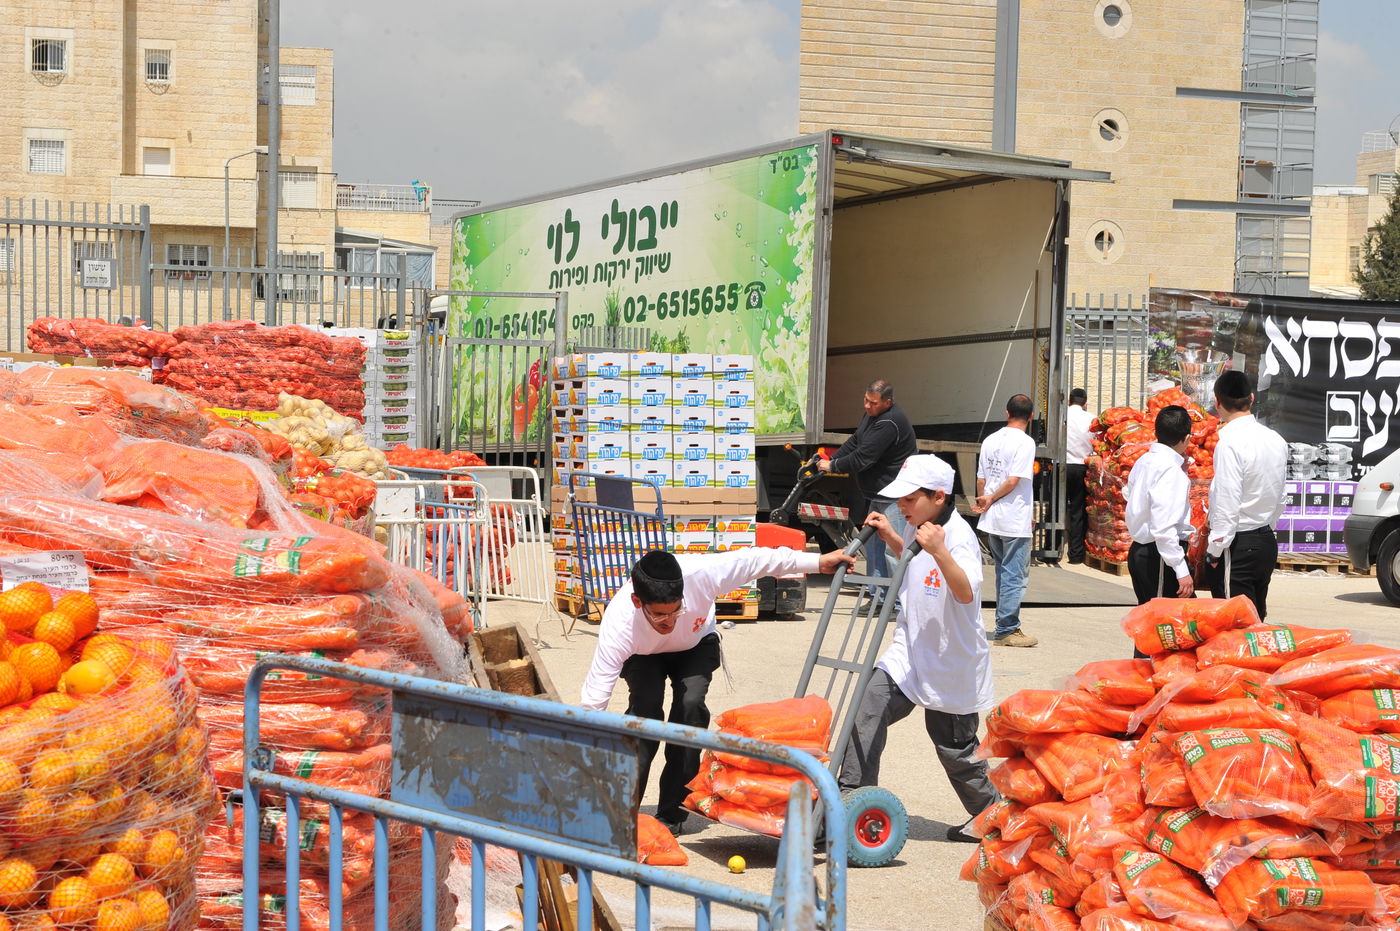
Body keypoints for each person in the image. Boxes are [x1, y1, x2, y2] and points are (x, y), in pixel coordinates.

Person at [579, 546, 855, 835]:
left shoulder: (703, 574)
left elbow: (756, 560)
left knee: (690, 705)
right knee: (644, 714)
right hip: (643, 656)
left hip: (695, 646)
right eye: (660, 616)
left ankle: (671, 813)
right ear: (638, 602)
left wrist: (817, 561)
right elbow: (594, 702)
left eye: (677, 611)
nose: (670, 623)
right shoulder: (619, 624)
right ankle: (623, 811)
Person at [838, 455, 998, 842]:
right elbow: (914, 563)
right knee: (867, 711)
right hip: (908, 653)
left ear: (938, 496)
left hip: (950, 660)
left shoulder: (957, 538)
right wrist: (890, 537)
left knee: (956, 750)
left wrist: (941, 551)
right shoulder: (919, 527)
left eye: (909, 500)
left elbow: (965, 593)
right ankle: (851, 804)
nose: (901, 508)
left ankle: (996, 818)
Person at [818, 379, 917, 592]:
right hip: (877, 494)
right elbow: (855, 442)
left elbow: (863, 458)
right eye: (865, 400)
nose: (867, 406)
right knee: (873, 547)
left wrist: (832, 465)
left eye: (873, 403)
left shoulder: (889, 423)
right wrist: (827, 458)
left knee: (893, 550)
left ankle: (897, 602)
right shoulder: (872, 416)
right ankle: (878, 598)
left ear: (887, 402)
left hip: (895, 497)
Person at [1205, 370, 1287, 618]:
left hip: (1238, 543)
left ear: (1217, 402)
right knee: (1256, 619)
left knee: (1235, 625)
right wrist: (1266, 526)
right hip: (1265, 539)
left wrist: (1215, 549)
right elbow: (1281, 495)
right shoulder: (1275, 439)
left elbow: (1227, 499)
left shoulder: (1229, 442)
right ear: (1251, 398)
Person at [973, 394, 1038, 648]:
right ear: (1031, 416)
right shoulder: (1025, 442)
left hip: (992, 520)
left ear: (1007, 413)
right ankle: (1007, 628)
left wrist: (984, 499)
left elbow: (981, 477)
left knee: (1003, 571)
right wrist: (991, 498)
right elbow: (1013, 481)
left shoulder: (990, 439)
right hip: (1013, 517)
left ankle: (1004, 623)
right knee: (1014, 575)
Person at [1124, 405, 1195, 605]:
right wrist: (1180, 569)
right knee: (1171, 626)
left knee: (1153, 625)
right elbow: (1163, 527)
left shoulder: (1144, 461)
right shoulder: (1171, 472)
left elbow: (1128, 494)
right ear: (1187, 438)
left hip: (1141, 550)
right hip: (1161, 556)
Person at [1065, 388, 1095, 564]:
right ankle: (1075, 555)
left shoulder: (1062, 416)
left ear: (1068, 402)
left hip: (1062, 465)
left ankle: (1048, 547)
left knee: (1054, 509)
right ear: (1085, 403)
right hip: (1081, 466)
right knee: (1077, 511)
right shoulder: (1091, 418)